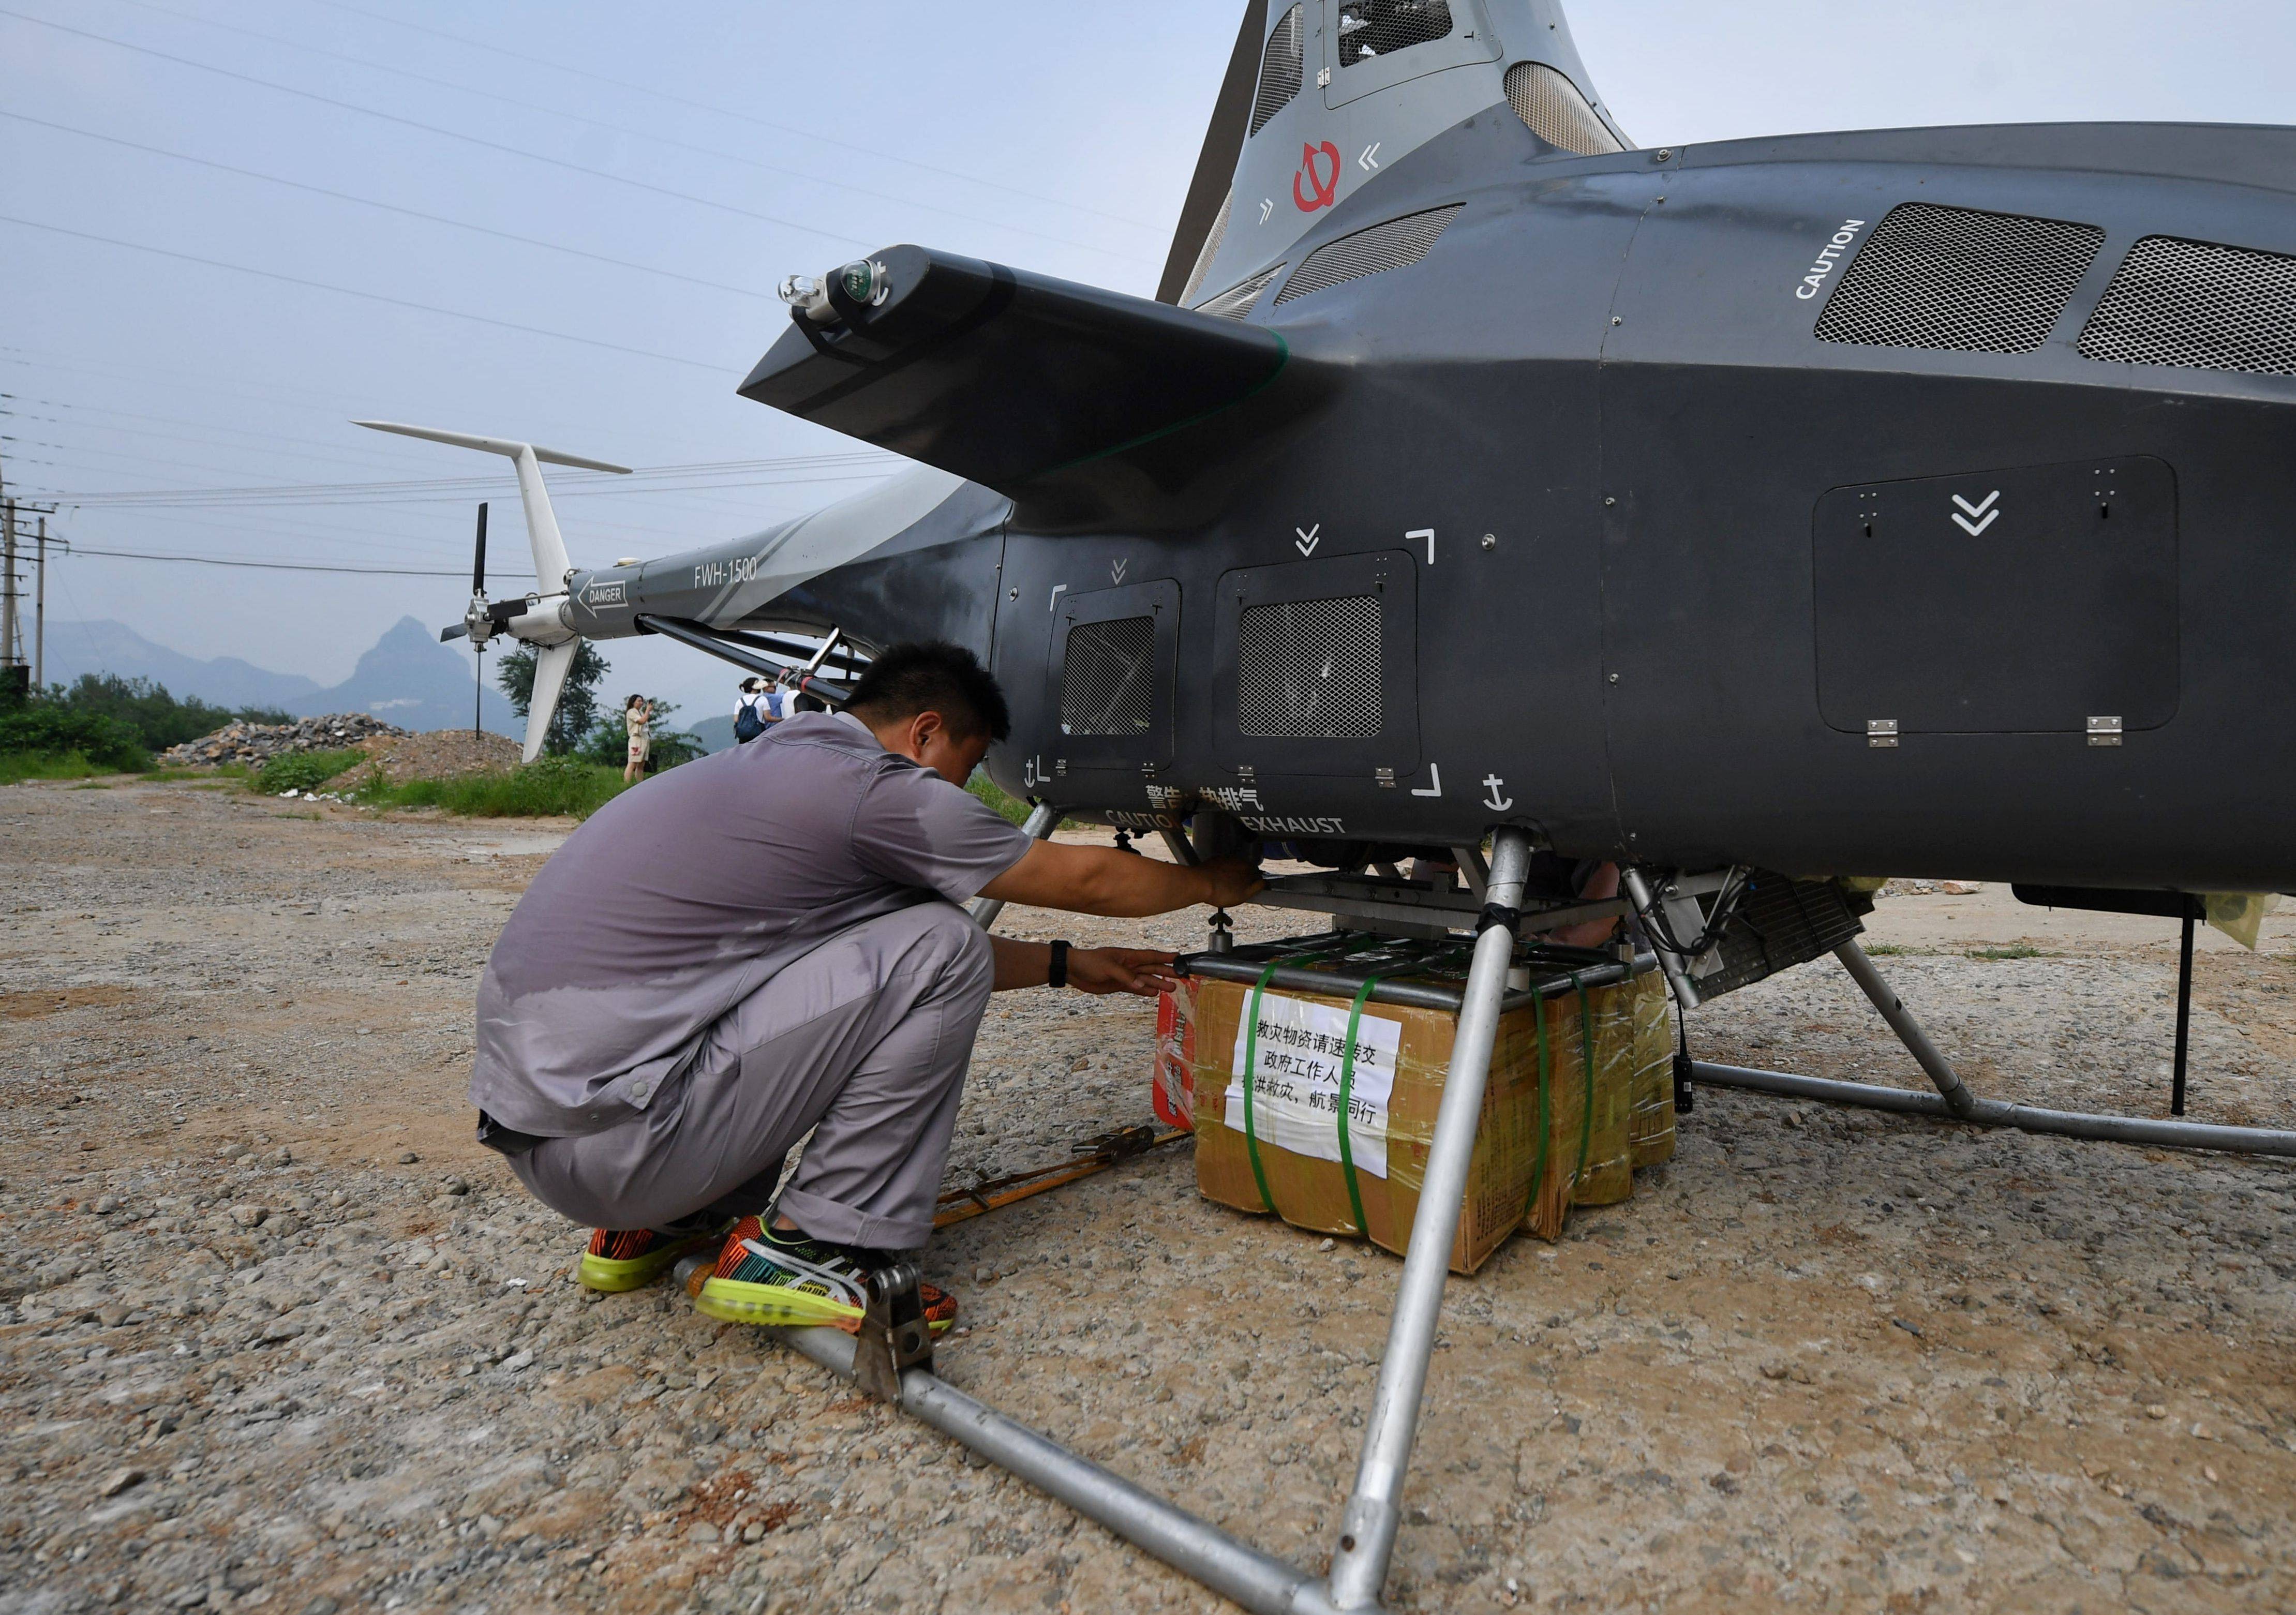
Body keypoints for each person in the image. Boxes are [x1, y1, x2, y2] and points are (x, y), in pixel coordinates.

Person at [469, 640, 1261, 1335]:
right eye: (963, 767)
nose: (960, 792)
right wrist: (1208, 882)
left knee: (913, 944)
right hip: (630, 1142)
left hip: (557, 1137)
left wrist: (1065, 964)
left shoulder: (769, 772)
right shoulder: (868, 788)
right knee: (945, 938)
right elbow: (1074, 878)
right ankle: (814, 1244)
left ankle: (667, 1223)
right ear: (924, 731)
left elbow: (866, 972)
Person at [733, 677, 776, 743]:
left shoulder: (740, 701)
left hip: (743, 734)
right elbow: (768, 718)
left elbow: (736, 720)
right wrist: (782, 719)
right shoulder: (762, 699)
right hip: (758, 732)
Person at [621, 694, 651, 784]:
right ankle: (626, 783)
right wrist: (648, 710)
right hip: (636, 740)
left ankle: (640, 783)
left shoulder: (641, 712)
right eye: (639, 701)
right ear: (633, 702)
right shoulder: (631, 712)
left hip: (644, 738)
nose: (641, 703)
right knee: (633, 762)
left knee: (641, 764)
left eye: (642, 701)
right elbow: (642, 721)